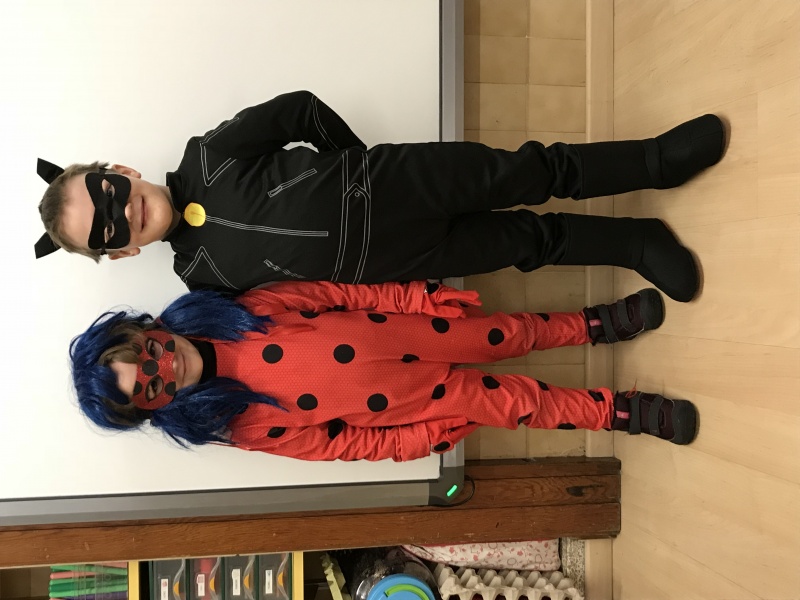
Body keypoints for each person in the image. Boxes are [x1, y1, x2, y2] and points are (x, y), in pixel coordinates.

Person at [36, 91, 724, 302]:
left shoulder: (208, 154)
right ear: (120, 253)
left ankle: (655, 160)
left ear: (121, 171)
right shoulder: (201, 280)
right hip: (395, 260)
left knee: (533, 172)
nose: (122, 212)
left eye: (108, 193)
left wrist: (355, 169)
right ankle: (636, 244)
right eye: (106, 230)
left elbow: (300, 109)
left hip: (398, 180)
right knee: (525, 242)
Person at [69, 280, 698, 462]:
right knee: (518, 403)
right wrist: (419, 438)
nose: (163, 367)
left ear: (147, 329)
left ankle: (593, 324)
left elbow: (336, 294)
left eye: (146, 353)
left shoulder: (240, 310)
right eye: (149, 388)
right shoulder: (241, 424)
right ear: (156, 409)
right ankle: (620, 411)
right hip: (419, 402)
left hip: (416, 331)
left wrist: (416, 298)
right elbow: (339, 445)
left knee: (512, 333)